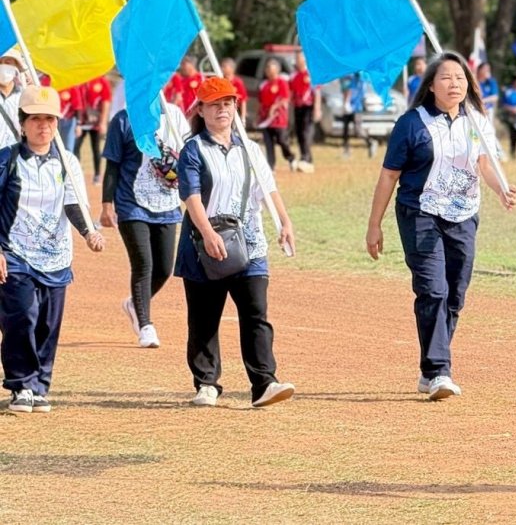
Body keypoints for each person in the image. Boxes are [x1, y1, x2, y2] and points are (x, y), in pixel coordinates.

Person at [366, 52, 516, 401]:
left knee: (455, 293)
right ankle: (438, 371)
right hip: (420, 212)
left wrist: (502, 190)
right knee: (433, 290)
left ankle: (430, 368)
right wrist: (374, 225)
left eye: (460, 78)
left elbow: (485, 165)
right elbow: (389, 176)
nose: (454, 84)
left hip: (464, 215)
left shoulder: (478, 121)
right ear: (431, 85)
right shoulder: (411, 123)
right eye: (446, 77)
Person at [175, 77, 296, 408]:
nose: (222, 110)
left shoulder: (250, 150)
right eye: (214, 104)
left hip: (249, 242)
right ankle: (206, 382)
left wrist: (284, 222)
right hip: (206, 244)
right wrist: (208, 233)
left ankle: (264, 383)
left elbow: (267, 189)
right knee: (204, 317)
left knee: (256, 312)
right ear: (200, 110)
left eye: (228, 103)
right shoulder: (193, 150)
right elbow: (191, 196)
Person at [0, 85, 105, 413]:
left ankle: (39, 386)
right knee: (22, 315)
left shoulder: (67, 162)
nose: (43, 125)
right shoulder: (6, 159)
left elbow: (74, 205)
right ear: (23, 123)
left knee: (48, 323)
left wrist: (88, 233)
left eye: (49, 119)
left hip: (56, 256)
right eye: (35, 119)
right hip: (14, 252)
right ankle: (21, 385)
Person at [102, 97, 189, 348]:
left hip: (167, 202)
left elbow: (190, 152)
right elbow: (112, 166)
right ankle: (145, 325)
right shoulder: (123, 119)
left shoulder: (174, 115)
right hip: (131, 202)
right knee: (143, 264)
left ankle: (134, 303)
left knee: (164, 268)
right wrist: (107, 204)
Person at [76, 74, 112, 184]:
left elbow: (106, 102)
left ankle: (97, 174)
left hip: (96, 123)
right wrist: (77, 122)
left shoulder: (102, 81)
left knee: (96, 148)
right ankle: (76, 173)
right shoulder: (80, 79)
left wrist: (103, 123)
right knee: (75, 148)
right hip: (81, 122)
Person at [288, 53, 319, 173]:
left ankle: (305, 157)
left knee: (306, 132)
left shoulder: (311, 74)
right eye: (297, 59)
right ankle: (307, 158)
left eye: (300, 59)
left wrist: (317, 108)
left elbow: (317, 92)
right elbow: (290, 93)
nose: (298, 61)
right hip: (297, 107)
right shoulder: (293, 76)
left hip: (308, 107)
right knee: (299, 133)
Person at [339, 72, 376, 159]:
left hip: (356, 107)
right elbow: (345, 90)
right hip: (348, 105)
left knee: (358, 130)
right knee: (345, 130)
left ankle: (370, 142)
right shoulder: (344, 75)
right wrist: (345, 103)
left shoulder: (358, 76)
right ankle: (346, 151)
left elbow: (351, 89)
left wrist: (347, 102)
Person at [0, 51, 26, 150]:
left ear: (16, 67)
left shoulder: (25, 97)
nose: (2, 66)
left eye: (8, 62)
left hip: (17, 155)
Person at [219, 58, 248, 124]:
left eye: (224, 66)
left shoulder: (238, 82)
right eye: (221, 66)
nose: (222, 68)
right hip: (224, 111)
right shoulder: (221, 81)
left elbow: (243, 100)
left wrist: (243, 118)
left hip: (235, 112)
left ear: (232, 68)